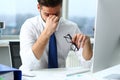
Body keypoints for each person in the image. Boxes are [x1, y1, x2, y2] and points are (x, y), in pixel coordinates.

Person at [19, 0, 93, 71]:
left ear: (61, 7)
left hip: (60, 76)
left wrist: (87, 45)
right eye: (47, 14)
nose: (52, 18)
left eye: (56, 14)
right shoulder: (29, 26)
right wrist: (47, 32)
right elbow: (28, 64)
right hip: (33, 76)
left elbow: (88, 66)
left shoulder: (71, 28)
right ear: (39, 7)